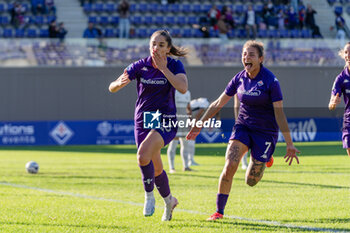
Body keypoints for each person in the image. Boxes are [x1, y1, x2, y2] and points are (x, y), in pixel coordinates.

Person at [186, 40, 300, 221]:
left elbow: (279, 114)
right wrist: (200, 123)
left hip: (265, 132)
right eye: (244, 54)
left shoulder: (271, 81)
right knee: (230, 165)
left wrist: (289, 144)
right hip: (243, 127)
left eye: (251, 54)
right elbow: (217, 103)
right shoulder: (239, 78)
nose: (246, 57)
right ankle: (219, 212)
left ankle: (265, 156)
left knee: (251, 181)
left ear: (261, 59)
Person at [108, 30, 188, 221]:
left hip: (165, 118)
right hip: (144, 119)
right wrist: (117, 84)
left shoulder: (175, 65)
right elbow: (111, 86)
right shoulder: (140, 65)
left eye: (161, 45)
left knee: (142, 156)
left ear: (168, 48)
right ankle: (169, 201)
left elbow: (183, 88)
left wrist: (164, 70)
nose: (156, 48)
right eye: (153, 44)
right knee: (156, 167)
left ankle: (149, 196)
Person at [329, 42, 350, 157]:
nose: (348, 55)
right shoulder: (341, 78)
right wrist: (333, 103)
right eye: (346, 52)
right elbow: (331, 105)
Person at [167, 90, 192, 173]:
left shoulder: (187, 92)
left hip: (184, 120)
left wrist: (190, 120)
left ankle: (186, 166)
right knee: (173, 143)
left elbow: (188, 107)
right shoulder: (173, 92)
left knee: (185, 143)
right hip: (175, 120)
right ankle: (172, 167)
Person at [188, 97, 210, 166]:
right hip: (188, 116)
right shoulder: (206, 103)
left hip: (188, 115)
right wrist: (195, 124)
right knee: (191, 139)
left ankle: (191, 160)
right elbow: (198, 115)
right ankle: (190, 160)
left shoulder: (202, 101)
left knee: (191, 139)